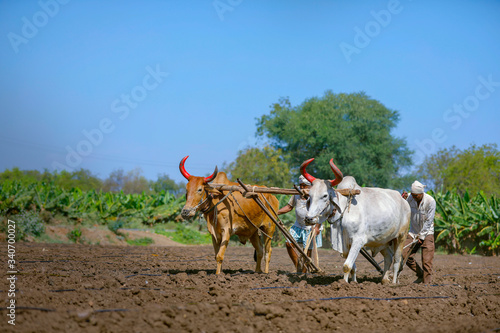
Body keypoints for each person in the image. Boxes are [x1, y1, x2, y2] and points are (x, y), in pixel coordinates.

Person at [277, 175, 322, 272]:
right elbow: (289, 207)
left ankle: (304, 272)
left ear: (309, 186)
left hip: (310, 227)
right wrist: (276, 212)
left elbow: (321, 212)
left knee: (307, 252)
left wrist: (317, 227)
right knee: (289, 243)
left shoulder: (315, 196)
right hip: (298, 225)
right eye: (300, 185)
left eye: (304, 185)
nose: (301, 188)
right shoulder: (296, 194)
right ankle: (298, 265)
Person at [402, 180, 436, 284]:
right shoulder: (410, 198)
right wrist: (402, 198)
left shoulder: (430, 201)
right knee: (404, 255)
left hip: (427, 233)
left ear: (421, 193)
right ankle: (420, 274)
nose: (414, 197)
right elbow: (402, 205)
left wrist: (422, 237)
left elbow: (429, 221)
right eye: (412, 195)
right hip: (413, 232)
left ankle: (426, 284)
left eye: (416, 195)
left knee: (426, 261)